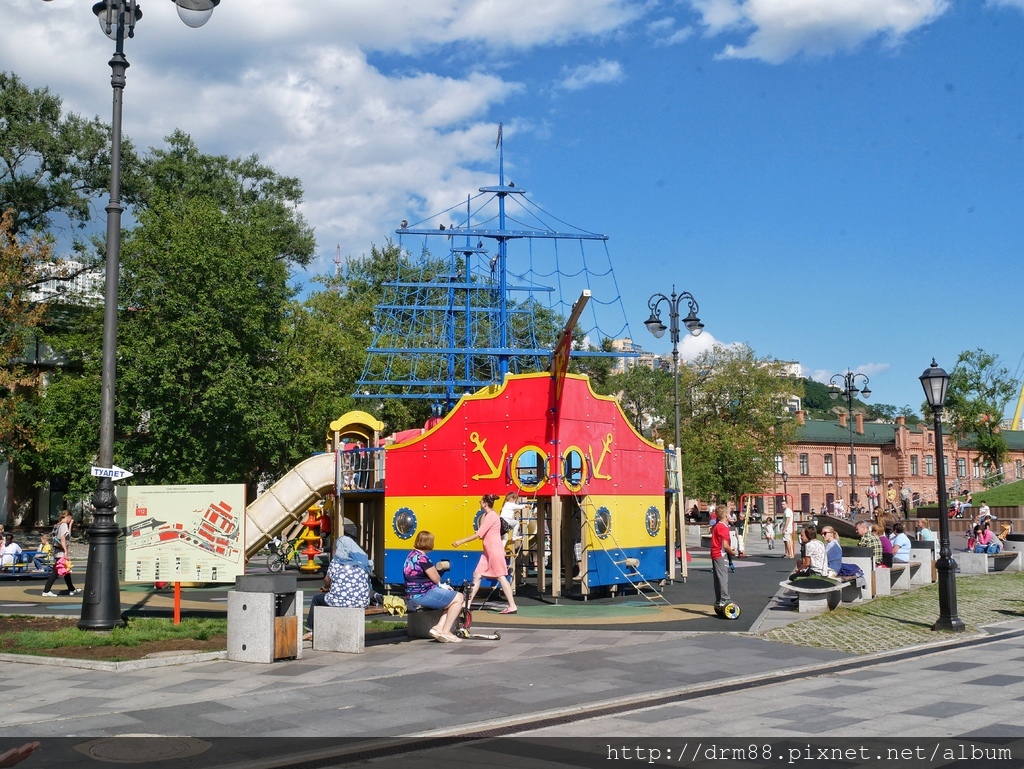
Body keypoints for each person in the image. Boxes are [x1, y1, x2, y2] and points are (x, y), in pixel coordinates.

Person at [303, 530, 375, 640]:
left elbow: (327, 580)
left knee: (317, 599)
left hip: (340, 601)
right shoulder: (362, 563)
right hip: (361, 601)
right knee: (332, 598)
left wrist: (328, 585)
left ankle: (311, 630)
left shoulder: (336, 562)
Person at [453, 494, 518, 614]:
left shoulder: (492, 516)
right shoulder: (489, 515)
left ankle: (512, 605)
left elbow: (479, 534)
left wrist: (461, 541)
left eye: (480, 501)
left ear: (484, 503)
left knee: (500, 576)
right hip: (488, 552)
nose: (479, 503)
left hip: (494, 550)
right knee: (477, 574)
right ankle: (466, 604)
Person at [403, 531, 465, 643]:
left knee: (451, 601)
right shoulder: (423, 559)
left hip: (412, 594)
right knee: (459, 597)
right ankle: (446, 632)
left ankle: (438, 628)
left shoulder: (411, 555)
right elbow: (436, 579)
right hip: (422, 594)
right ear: (429, 543)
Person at [42, 510, 79, 597]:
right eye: (71, 518)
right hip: (61, 551)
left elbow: (67, 535)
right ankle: (46, 590)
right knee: (56, 571)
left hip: (56, 550)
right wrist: (65, 550)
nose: (71, 520)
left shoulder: (57, 525)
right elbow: (63, 537)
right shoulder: (63, 525)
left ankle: (71, 588)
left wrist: (70, 525)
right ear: (69, 517)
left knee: (66, 570)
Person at [710, 503, 737, 609]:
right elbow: (725, 545)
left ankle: (719, 599)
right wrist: (732, 552)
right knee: (723, 577)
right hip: (720, 554)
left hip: (716, 553)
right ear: (726, 515)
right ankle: (724, 598)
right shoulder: (723, 528)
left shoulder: (718, 526)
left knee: (718, 577)